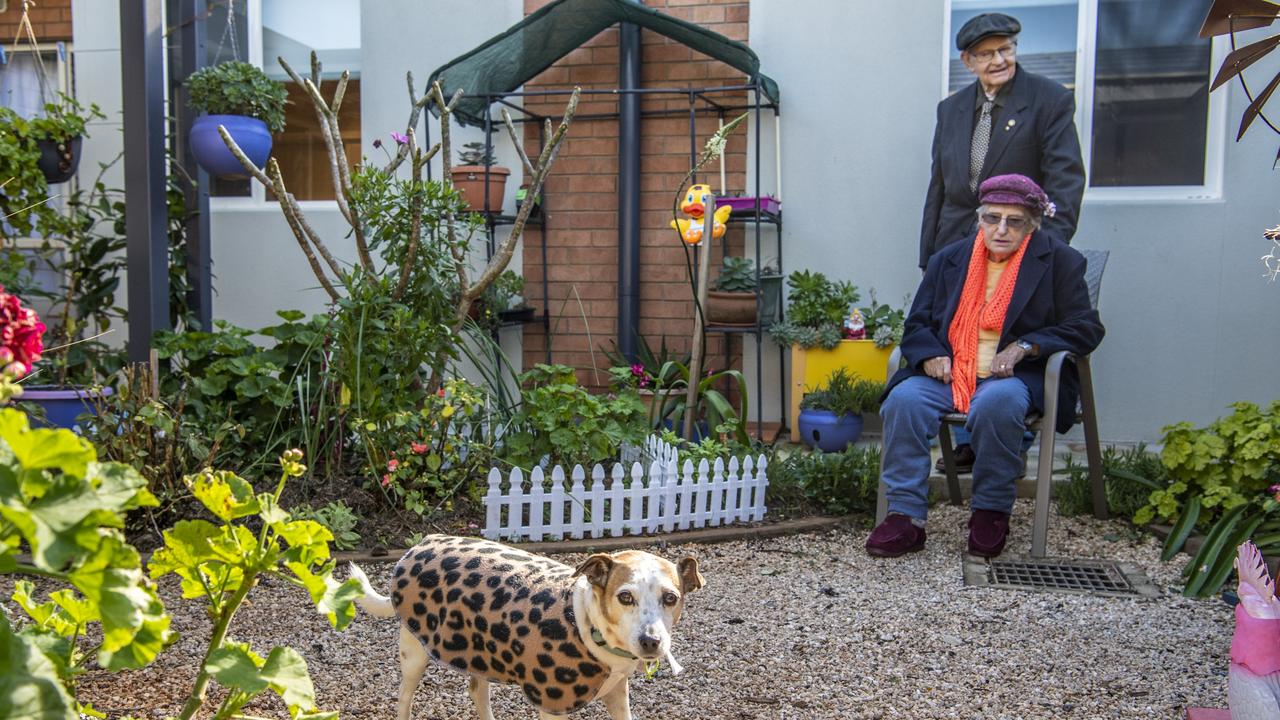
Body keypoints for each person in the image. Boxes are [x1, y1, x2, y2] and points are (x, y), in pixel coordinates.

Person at [866, 174, 1103, 559]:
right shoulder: (950, 260)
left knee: (998, 404)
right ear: (979, 220)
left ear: (1033, 224)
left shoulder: (1060, 261)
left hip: (1012, 377)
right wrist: (929, 354)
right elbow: (917, 324)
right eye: (993, 218)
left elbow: (1085, 327)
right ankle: (904, 516)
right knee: (903, 400)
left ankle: (991, 510)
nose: (1002, 229)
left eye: (1015, 221)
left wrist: (1026, 346)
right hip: (951, 373)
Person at [920, 12, 1086, 472]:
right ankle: (973, 434)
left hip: (1017, 240)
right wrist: (929, 255)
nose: (1001, 59)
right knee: (958, 340)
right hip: (957, 243)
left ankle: (997, 440)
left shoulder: (1047, 99)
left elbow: (1066, 182)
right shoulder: (950, 109)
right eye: (988, 53)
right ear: (968, 61)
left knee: (1005, 341)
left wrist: (1043, 253)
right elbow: (940, 186)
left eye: (1007, 49)